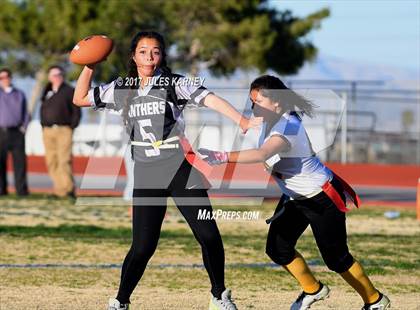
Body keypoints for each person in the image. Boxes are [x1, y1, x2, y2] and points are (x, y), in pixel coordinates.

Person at [73, 31, 261, 310]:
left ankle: (219, 295)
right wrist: (90, 65)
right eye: (143, 51)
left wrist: (242, 121)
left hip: (179, 168)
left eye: (156, 51)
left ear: (162, 56)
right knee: (143, 247)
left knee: (208, 235)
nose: (149, 56)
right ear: (133, 56)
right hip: (147, 173)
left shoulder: (175, 83)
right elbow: (80, 98)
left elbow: (211, 99)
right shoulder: (122, 87)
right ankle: (121, 301)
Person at [198, 75, 391, 310]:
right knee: (277, 248)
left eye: (259, 101)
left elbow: (262, 154)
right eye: (251, 101)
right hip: (295, 198)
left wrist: (223, 157)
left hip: (321, 197)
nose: (253, 106)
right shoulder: (268, 119)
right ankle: (314, 290)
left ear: (277, 101)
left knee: (336, 259)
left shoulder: (288, 124)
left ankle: (375, 301)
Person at [40, 65, 81, 198]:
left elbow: (76, 110)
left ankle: (69, 189)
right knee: (51, 161)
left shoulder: (69, 91)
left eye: (58, 74)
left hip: (64, 129)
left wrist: (72, 126)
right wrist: (43, 124)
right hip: (48, 130)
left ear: (62, 76)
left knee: (64, 160)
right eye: (53, 75)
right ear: (49, 77)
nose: (56, 77)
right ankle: (59, 190)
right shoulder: (47, 91)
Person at [0, 68, 30, 196]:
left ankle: (21, 190)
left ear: (10, 78)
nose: (4, 80)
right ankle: (1, 190)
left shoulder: (20, 94)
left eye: (6, 77)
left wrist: (24, 127)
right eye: (1, 78)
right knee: (0, 163)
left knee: (20, 163)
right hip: (1, 132)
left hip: (17, 133)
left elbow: (26, 114)